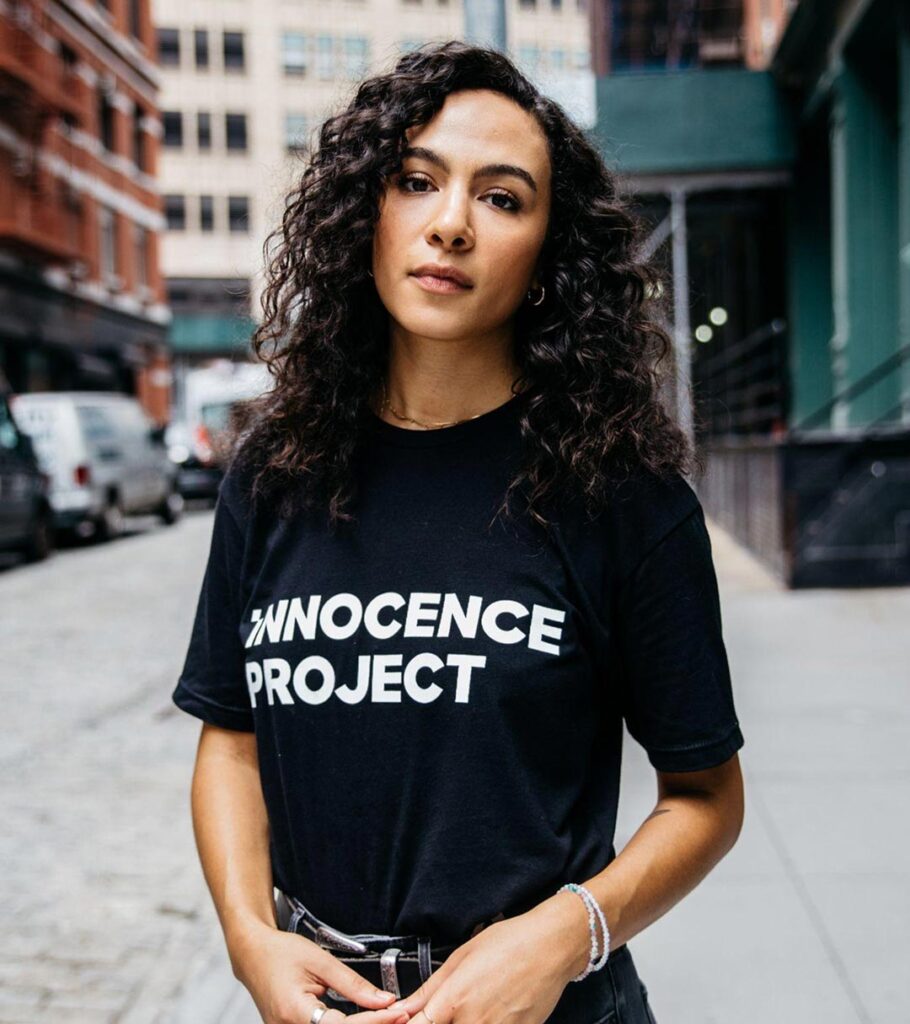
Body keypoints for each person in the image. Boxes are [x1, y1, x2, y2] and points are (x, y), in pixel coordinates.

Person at [172, 40, 745, 1024]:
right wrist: (248, 939)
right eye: (416, 180)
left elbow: (705, 796)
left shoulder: (620, 494)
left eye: (502, 198)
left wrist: (570, 931)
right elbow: (231, 735)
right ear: (366, 210)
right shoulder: (277, 470)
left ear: (547, 253)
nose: (449, 224)